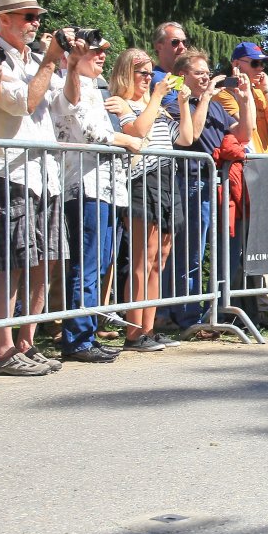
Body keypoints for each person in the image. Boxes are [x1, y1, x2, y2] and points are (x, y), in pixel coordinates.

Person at [0, 0, 70, 376]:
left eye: (37, 17)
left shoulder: (35, 59)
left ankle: (27, 342)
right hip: (12, 172)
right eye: (28, 16)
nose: (35, 24)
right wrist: (50, 62)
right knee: (15, 263)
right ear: (4, 19)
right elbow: (22, 104)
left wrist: (71, 60)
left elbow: (67, 106)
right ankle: (3, 348)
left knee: (46, 260)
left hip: (46, 174)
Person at [51, 31, 141, 363]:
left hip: (106, 186)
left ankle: (86, 334)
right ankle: (77, 340)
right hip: (84, 186)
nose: (101, 55)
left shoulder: (95, 87)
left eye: (103, 51)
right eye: (93, 51)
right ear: (73, 57)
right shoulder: (67, 84)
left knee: (100, 263)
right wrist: (127, 141)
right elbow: (90, 133)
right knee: (87, 265)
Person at [105, 48, 194, 354]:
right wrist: (156, 96)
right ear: (125, 73)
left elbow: (186, 138)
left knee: (160, 259)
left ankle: (149, 328)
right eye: (141, 73)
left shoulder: (158, 107)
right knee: (143, 258)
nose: (146, 78)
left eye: (148, 73)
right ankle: (133, 332)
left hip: (167, 180)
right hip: (141, 181)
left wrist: (183, 103)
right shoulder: (121, 103)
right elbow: (137, 132)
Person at [170, 49, 251, 332]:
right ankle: (188, 317)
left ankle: (212, 315)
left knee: (224, 252)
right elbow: (192, 133)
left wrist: (245, 102)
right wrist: (205, 98)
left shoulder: (216, 106)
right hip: (192, 182)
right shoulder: (175, 102)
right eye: (199, 73)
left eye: (207, 72)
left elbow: (244, 135)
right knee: (192, 253)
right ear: (183, 76)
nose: (206, 77)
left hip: (219, 185)